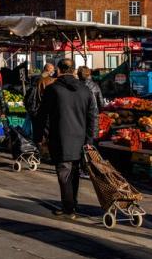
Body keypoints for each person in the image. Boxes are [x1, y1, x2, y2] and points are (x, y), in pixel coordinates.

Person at [39, 59, 97, 219]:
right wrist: (89, 140)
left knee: (64, 173)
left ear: (58, 70)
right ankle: (72, 204)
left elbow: (42, 114)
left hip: (60, 137)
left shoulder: (53, 89)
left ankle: (69, 208)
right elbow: (92, 117)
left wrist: (38, 136)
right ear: (73, 70)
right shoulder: (86, 90)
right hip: (80, 138)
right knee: (74, 171)